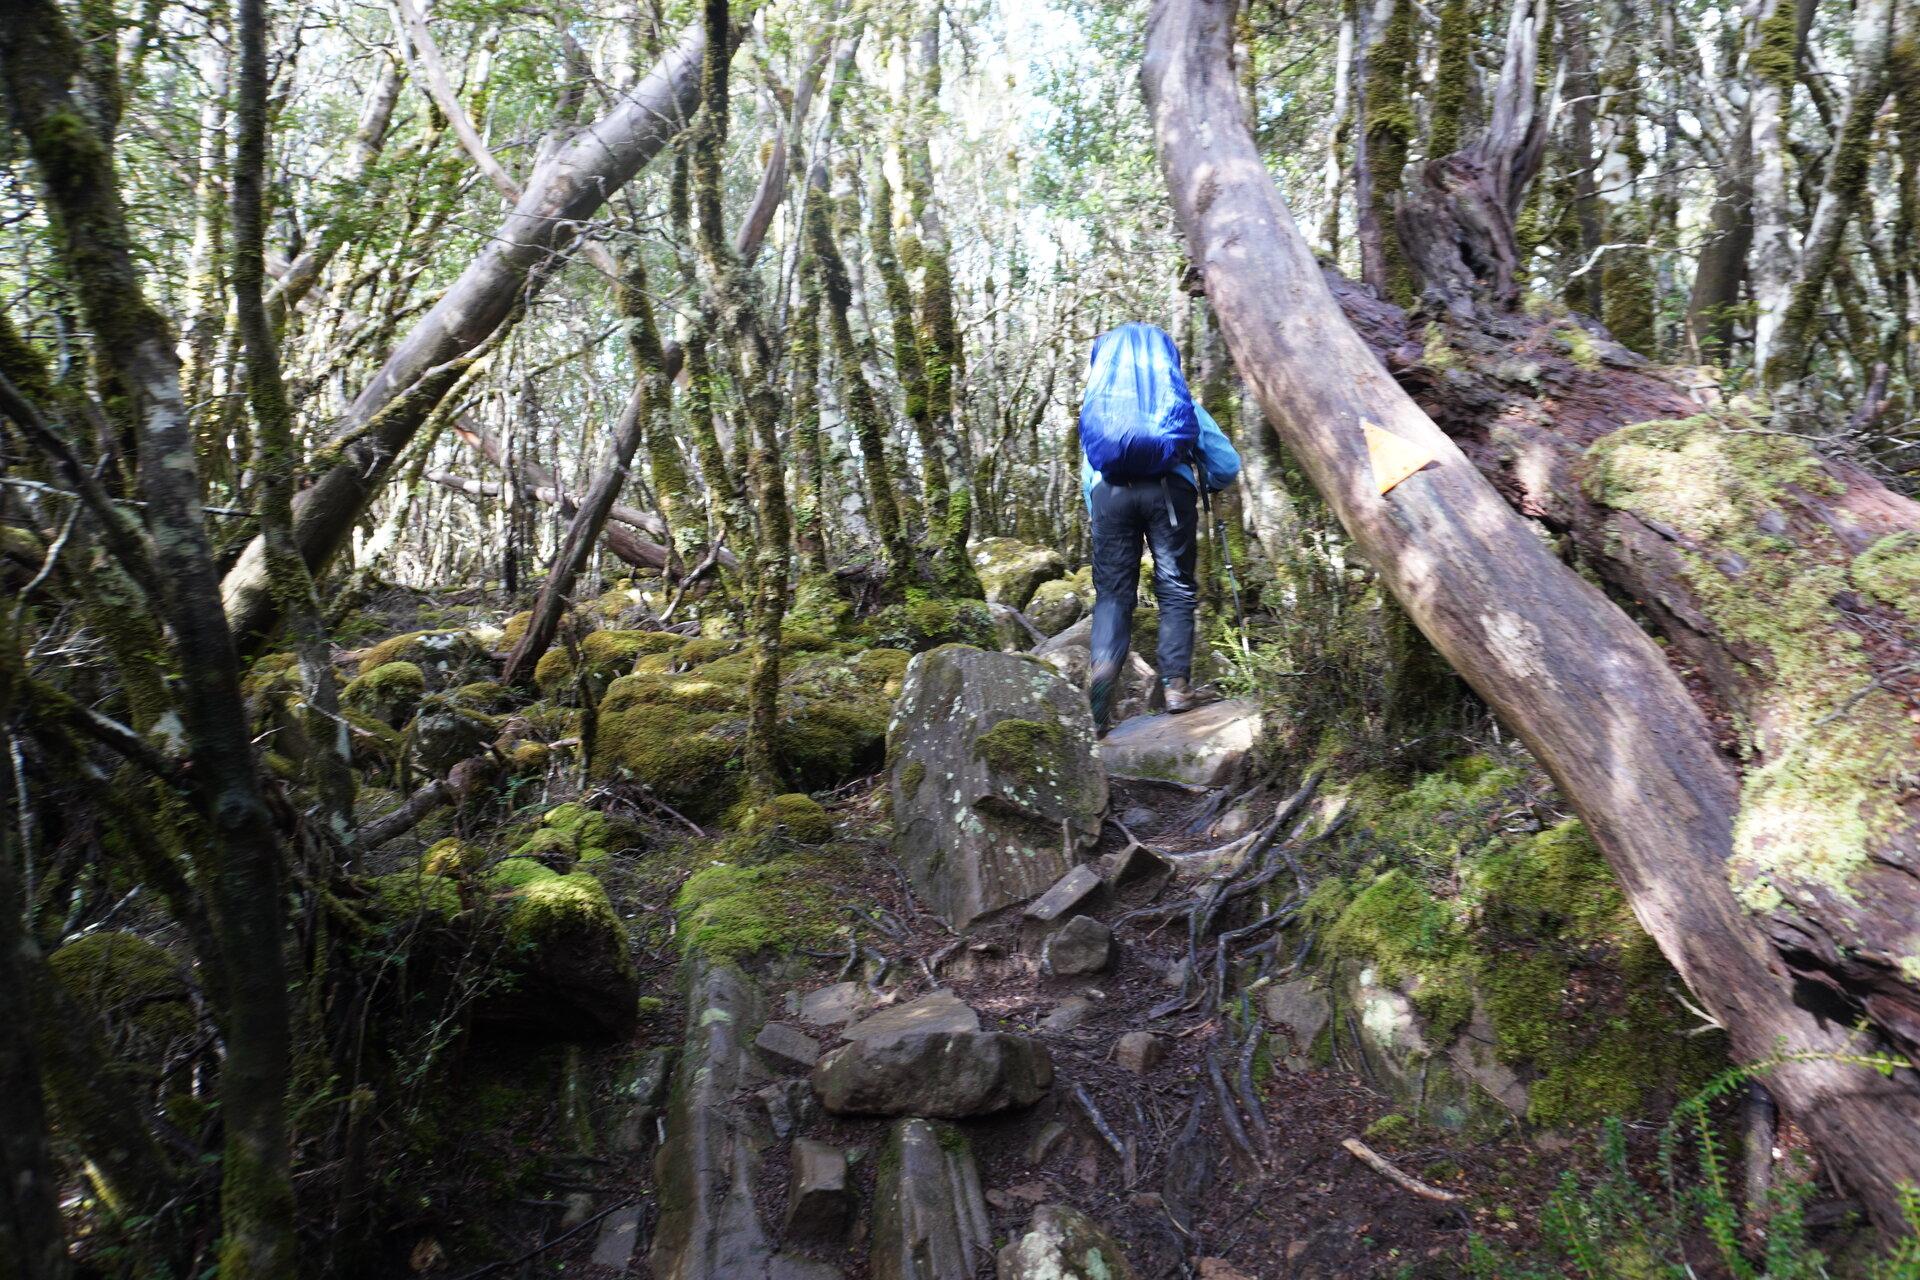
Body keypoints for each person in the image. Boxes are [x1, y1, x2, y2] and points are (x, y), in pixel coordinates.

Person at [1078, 322, 1241, 732]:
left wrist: (1098, 510)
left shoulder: (1100, 410)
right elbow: (1226, 464)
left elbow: (1089, 473)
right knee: (1174, 588)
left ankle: (1102, 672)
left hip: (1110, 498)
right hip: (1169, 493)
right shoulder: (1177, 402)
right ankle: (1176, 687)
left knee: (1113, 594)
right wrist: (1209, 482)